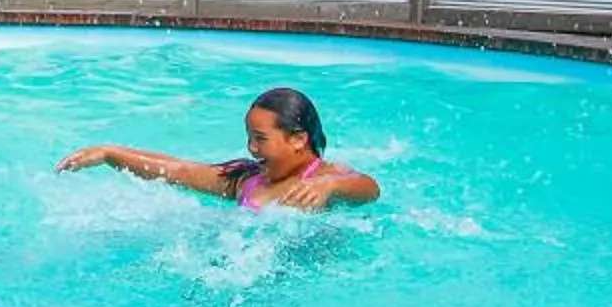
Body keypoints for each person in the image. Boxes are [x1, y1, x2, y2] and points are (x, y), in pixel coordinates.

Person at [55, 86, 381, 211]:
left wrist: (332, 186)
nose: (252, 148)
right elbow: (179, 170)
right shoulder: (247, 180)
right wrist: (110, 154)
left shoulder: (322, 178)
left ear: (298, 139)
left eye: (261, 138)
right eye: (249, 137)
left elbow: (369, 188)